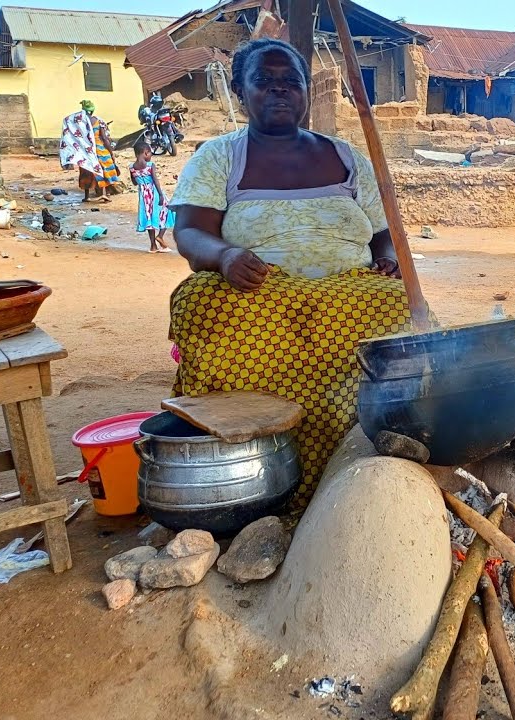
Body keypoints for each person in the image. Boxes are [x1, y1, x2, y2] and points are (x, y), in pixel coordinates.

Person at [168, 38, 414, 515]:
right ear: (240, 91)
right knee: (201, 301)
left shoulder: (346, 157)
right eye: (264, 81)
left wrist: (387, 259)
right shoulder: (218, 157)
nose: (279, 90)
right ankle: (246, 468)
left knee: (401, 302)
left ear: (307, 91)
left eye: (291, 82)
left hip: (351, 295)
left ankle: (376, 460)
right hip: (261, 294)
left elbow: (385, 233)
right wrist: (225, 256)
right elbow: (191, 232)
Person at [59, 100, 122, 203]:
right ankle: (104, 194)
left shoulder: (78, 122)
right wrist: (111, 151)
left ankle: (87, 196)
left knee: (86, 171)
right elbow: (104, 138)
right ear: (92, 110)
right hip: (100, 149)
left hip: (85, 151)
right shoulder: (98, 121)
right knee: (103, 169)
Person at [130, 140, 174, 253]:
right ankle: (160, 236)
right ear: (145, 152)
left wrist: (140, 179)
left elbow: (134, 182)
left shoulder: (132, 167)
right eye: (150, 153)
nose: (150, 156)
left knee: (149, 217)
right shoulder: (150, 165)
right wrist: (161, 195)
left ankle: (153, 246)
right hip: (154, 193)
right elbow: (155, 181)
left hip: (143, 196)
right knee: (166, 211)